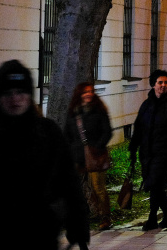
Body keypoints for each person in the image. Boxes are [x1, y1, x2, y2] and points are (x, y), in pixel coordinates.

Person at [0, 60, 89, 249]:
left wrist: (78, 224)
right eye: (8, 93)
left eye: (20, 92)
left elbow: (69, 181)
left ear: (29, 95)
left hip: (41, 234)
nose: (15, 99)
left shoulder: (48, 133)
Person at [130, 69, 167, 230]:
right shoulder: (146, 105)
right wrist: (133, 149)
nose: (163, 86)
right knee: (156, 186)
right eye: (160, 82)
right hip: (147, 153)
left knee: (155, 184)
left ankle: (152, 219)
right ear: (153, 85)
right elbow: (139, 127)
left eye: (165, 82)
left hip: (165, 153)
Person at [64, 81, 114, 230]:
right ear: (79, 94)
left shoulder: (99, 111)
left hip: (95, 156)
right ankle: (86, 214)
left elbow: (107, 132)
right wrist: (71, 151)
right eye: (85, 92)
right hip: (77, 157)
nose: (88, 94)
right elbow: (67, 133)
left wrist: (98, 147)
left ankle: (105, 217)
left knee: (98, 188)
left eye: (90, 91)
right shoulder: (73, 112)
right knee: (78, 188)